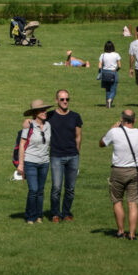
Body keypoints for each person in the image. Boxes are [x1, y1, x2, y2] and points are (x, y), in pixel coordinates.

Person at [100, 109, 138, 240]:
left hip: (118, 170)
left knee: (117, 201)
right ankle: (132, 234)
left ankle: (121, 231)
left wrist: (111, 129)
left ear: (122, 119)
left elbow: (102, 143)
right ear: (135, 120)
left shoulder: (114, 132)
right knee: (133, 203)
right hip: (134, 171)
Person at [46, 89, 82, 223]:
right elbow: (36, 119)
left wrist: (76, 152)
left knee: (70, 188)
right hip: (56, 156)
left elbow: (78, 137)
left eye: (67, 99)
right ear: (57, 101)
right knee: (56, 187)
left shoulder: (75, 117)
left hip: (73, 156)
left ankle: (66, 212)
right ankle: (55, 213)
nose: (65, 101)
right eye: (62, 99)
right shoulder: (50, 116)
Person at [16, 99, 51, 224]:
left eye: (45, 110)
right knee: (33, 190)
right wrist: (21, 164)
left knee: (41, 190)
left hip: (44, 162)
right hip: (30, 161)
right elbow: (22, 144)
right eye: (42, 110)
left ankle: (39, 216)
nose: (44, 112)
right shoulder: (28, 125)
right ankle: (30, 216)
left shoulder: (48, 125)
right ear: (35, 113)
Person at [98, 40, 121, 108]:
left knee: (107, 89)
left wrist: (100, 72)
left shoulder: (103, 55)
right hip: (113, 72)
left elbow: (99, 66)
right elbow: (119, 66)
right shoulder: (116, 55)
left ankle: (107, 103)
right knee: (113, 90)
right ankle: (110, 100)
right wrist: (116, 70)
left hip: (105, 72)